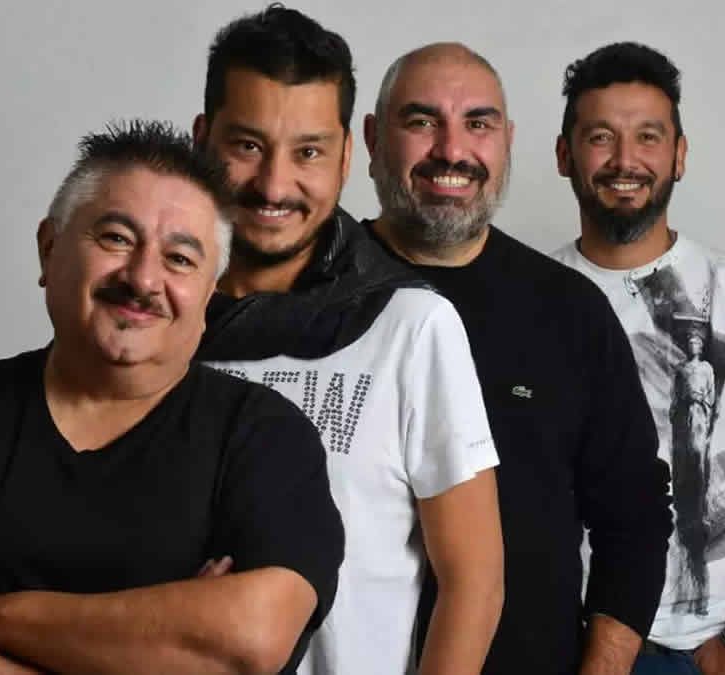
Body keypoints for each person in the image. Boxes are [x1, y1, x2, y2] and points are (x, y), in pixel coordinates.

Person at [0, 120, 344, 675]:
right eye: (116, 238)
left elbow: (249, 639)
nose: (143, 278)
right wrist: (155, 643)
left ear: (209, 293)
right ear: (49, 248)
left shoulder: (264, 437)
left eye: (180, 259)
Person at [191, 7, 504, 675]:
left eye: (307, 152)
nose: (275, 185)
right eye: (247, 146)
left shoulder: (411, 326)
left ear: (344, 159)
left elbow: (474, 583)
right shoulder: (154, 319)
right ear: (201, 141)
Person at [362, 42, 672, 675]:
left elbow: (634, 518)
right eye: (421, 121)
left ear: (507, 141)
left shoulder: (570, 311)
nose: (452, 150)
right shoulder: (314, 296)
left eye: (478, 124)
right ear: (371, 138)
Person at [549, 42, 725, 674]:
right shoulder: (530, 298)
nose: (625, 160)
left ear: (679, 155)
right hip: (563, 641)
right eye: (601, 137)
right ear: (565, 154)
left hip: (700, 648)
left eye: (648, 137)